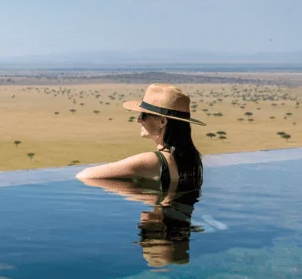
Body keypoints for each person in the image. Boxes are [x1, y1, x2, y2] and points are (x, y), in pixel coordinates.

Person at [75, 83, 205, 195]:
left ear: (162, 121)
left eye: (143, 115)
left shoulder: (152, 160)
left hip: (162, 223)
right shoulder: (194, 159)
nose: (138, 119)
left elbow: (84, 175)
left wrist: (136, 194)